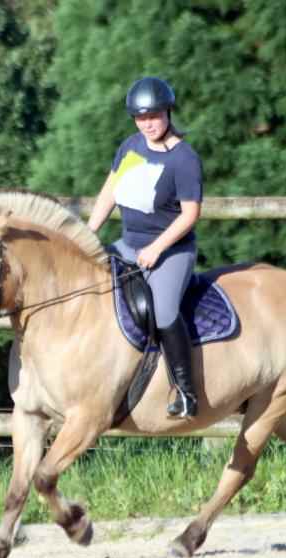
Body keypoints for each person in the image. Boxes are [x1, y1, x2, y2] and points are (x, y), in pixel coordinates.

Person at [88, 76, 203, 418]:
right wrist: (88, 232)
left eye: (154, 116)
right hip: (127, 244)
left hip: (171, 252)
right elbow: (110, 191)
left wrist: (156, 248)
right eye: (141, 118)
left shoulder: (184, 159)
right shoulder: (131, 147)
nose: (148, 123)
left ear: (168, 113)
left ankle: (185, 392)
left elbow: (190, 214)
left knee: (164, 311)